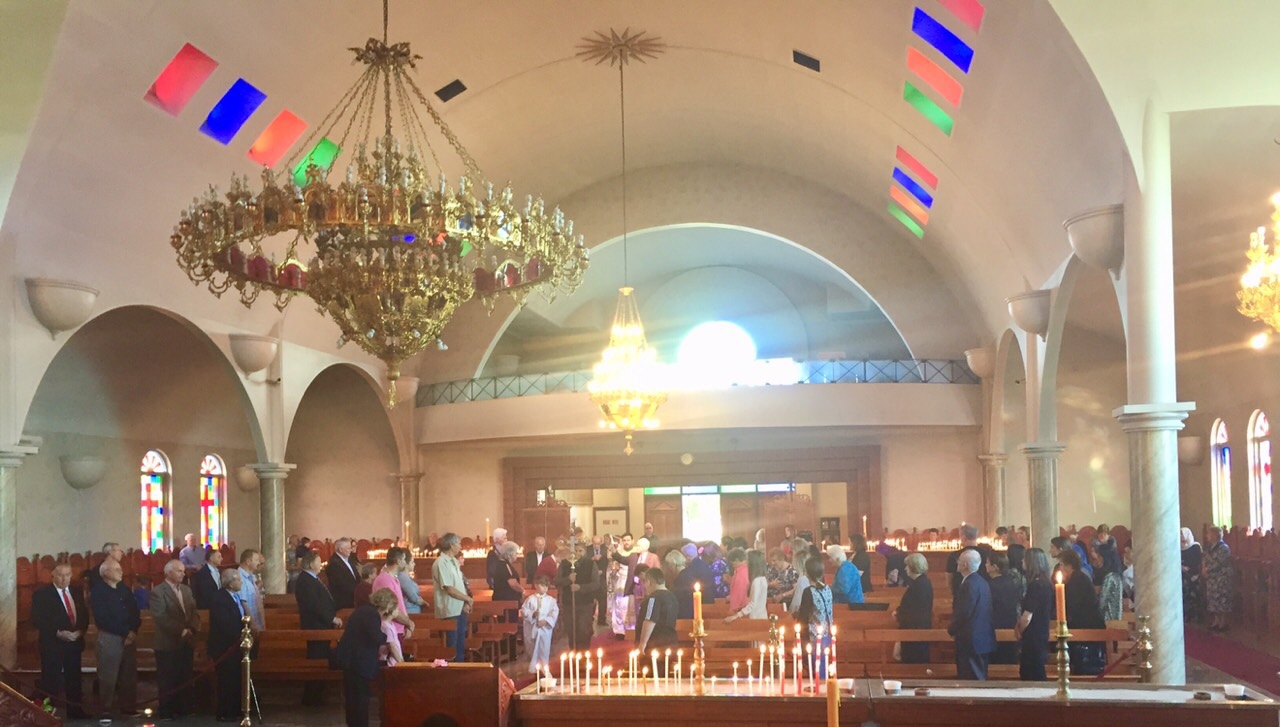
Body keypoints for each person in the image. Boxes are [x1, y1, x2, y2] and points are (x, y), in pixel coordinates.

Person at [32, 563, 88, 719]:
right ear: (53, 576)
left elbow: (83, 615)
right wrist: (58, 633)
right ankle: (47, 714)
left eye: (67, 575)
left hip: (74, 644)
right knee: (51, 681)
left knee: (74, 680)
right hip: (52, 645)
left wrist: (80, 631)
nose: (64, 579)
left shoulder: (76, 592)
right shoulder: (42, 594)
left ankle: (76, 712)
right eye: (61, 575)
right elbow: (37, 619)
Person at [332, 587, 394, 727]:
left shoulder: (363, 610)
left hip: (352, 660)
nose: (388, 611)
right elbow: (375, 637)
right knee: (360, 700)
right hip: (358, 663)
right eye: (389, 607)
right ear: (385, 604)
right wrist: (386, 636)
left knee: (352, 699)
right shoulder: (371, 614)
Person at [89, 558, 140, 719]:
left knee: (129, 674)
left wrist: (133, 630)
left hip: (129, 637)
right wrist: (125, 632)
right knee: (108, 675)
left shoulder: (124, 589)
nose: (121, 572)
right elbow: (102, 618)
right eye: (117, 569)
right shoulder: (98, 592)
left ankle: (128, 707)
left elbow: (134, 611)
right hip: (111, 636)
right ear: (106, 573)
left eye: (120, 569)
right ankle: (106, 709)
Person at [150, 559, 200, 720]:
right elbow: (160, 616)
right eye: (179, 571)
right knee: (167, 678)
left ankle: (184, 708)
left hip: (187, 641)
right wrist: (181, 630)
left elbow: (194, 611)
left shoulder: (186, 590)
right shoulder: (158, 592)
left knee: (184, 676)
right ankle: (166, 710)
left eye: (183, 571)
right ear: (168, 572)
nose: (183, 574)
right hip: (167, 642)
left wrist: (192, 628)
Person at [296, 550, 342, 706]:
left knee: (321, 658)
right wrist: (331, 618)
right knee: (316, 660)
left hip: (321, 625)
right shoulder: (305, 580)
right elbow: (314, 605)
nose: (321, 563)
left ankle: (318, 694)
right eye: (318, 561)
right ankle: (312, 696)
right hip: (315, 626)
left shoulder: (312, 579)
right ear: (310, 564)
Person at [948, 549, 995, 680]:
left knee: (970, 681)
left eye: (959, 560)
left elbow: (964, 612)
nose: (957, 562)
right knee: (979, 678)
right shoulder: (982, 582)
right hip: (982, 638)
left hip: (970, 640)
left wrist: (952, 629)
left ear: (965, 565)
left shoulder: (968, 585)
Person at [1059, 548, 1106, 675]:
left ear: (1069, 565)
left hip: (1088, 628)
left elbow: (1074, 606)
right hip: (1083, 626)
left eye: (1061, 565)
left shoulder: (1078, 580)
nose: (1060, 568)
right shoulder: (1076, 579)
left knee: (1085, 665)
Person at [208, 568, 246, 722]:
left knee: (235, 678)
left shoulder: (232, 596)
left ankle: (235, 709)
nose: (241, 582)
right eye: (238, 579)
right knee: (226, 680)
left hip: (234, 646)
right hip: (225, 647)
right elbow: (224, 623)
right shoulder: (220, 598)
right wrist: (239, 636)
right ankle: (225, 711)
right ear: (230, 583)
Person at [433, 532, 474, 662]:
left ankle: (460, 668)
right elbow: (449, 588)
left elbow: (460, 585)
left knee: (460, 644)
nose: (461, 546)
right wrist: (467, 599)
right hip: (450, 610)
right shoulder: (441, 563)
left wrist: (466, 603)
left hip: (460, 608)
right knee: (452, 646)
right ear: (451, 545)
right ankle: (452, 669)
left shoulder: (454, 562)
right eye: (459, 543)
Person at [1015, 548, 1054, 681]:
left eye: (1024, 559)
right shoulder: (1046, 583)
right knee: (1036, 668)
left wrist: (1019, 629)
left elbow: (1027, 615)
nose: (1022, 561)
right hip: (1041, 631)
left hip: (1033, 634)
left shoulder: (1035, 585)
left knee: (1030, 671)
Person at [556, 543, 600, 650]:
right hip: (569, 603)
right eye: (576, 550)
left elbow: (596, 584)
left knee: (583, 630)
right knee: (571, 630)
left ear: (585, 552)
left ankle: (583, 654)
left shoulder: (590, 564)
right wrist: (568, 579)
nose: (578, 553)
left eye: (581, 551)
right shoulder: (565, 563)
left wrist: (580, 588)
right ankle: (573, 652)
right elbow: (557, 581)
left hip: (585, 603)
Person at [795, 554, 834, 674]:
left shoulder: (809, 591)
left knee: (815, 668)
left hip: (813, 635)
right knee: (823, 665)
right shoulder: (828, 589)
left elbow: (803, 616)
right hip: (827, 633)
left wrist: (799, 634)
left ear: (807, 573)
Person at [371, 547, 418, 643]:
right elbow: (390, 607)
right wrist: (409, 623)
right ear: (398, 561)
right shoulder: (384, 579)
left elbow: (399, 605)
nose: (405, 563)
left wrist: (406, 623)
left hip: (397, 628)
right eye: (403, 560)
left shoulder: (393, 578)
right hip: (390, 630)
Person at [894, 553, 933, 664]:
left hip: (914, 631)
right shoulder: (922, 582)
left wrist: (898, 614)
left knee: (913, 662)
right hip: (916, 630)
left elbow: (914, 610)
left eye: (907, 566)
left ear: (913, 567)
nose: (905, 569)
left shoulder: (919, 585)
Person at [985, 552, 1020, 665]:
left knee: (996, 661)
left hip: (995, 627)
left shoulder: (990, 586)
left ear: (995, 567)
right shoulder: (1011, 581)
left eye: (987, 563)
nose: (985, 565)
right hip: (1011, 625)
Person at [637, 567, 680, 657]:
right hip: (671, 644)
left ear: (648, 582)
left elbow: (649, 620)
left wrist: (642, 644)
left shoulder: (653, 598)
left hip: (654, 646)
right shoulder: (673, 597)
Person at [520, 575, 558, 673]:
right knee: (533, 648)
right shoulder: (530, 599)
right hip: (533, 628)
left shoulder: (551, 600)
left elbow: (554, 613)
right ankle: (534, 669)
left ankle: (544, 668)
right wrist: (533, 614)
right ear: (536, 585)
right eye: (542, 585)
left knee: (544, 648)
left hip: (545, 628)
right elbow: (524, 611)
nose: (545, 588)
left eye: (546, 586)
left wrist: (546, 621)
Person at [945, 525, 990, 600]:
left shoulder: (954, 555)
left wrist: (954, 593)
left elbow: (949, 579)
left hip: (960, 595)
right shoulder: (987, 554)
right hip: (983, 594)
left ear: (964, 537)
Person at [1204, 525, 1234, 632]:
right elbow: (1205, 558)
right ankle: (1216, 621)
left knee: (1222, 600)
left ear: (1215, 535)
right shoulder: (1210, 547)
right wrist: (1204, 568)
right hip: (1211, 579)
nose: (1207, 536)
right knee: (1213, 600)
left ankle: (1222, 622)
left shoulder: (1224, 548)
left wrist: (1208, 569)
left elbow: (1220, 562)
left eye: (1209, 534)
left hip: (1221, 578)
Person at [725, 550, 768, 622]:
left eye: (747, 560)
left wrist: (736, 616)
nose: (745, 562)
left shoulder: (756, 581)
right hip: (761, 615)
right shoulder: (762, 578)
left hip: (755, 618)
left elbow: (753, 603)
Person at [674, 542, 714, 619]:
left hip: (696, 605)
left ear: (688, 557)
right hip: (708, 601)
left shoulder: (688, 571)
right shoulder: (705, 565)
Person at [326, 537, 361, 609]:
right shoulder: (334, 564)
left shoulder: (348, 559)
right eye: (348, 548)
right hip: (344, 602)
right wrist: (357, 592)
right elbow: (341, 584)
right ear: (341, 549)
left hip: (353, 598)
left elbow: (356, 577)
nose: (351, 550)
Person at [237, 548, 265, 634]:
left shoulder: (251, 576)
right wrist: (252, 623)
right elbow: (243, 603)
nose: (258, 563)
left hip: (256, 621)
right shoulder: (239, 578)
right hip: (248, 625)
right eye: (256, 560)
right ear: (248, 561)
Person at [1181, 526, 1204, 623]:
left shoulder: (1195, 546)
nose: (1181, 537)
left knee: (1195, 595)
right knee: (1184, 594)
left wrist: (1190, 569)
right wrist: (1181, 566)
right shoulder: (1178, 547)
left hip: (1194, 574)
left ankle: (1197, 616)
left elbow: (1198, 561)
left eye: (1182, 534)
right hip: (1182, 574)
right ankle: (1186, 615)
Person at [590, 534, 610, 626]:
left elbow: (608, 562)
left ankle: (602, 620)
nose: (596, 546)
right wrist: (593, 558)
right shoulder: (587, 550)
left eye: (598, 544)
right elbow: (584, 561)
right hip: (591, 579)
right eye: (595, 544)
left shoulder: (605, 550)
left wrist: (603, 571)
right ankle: (590, 617)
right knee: (591, 599)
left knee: (602, 600)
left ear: (601, 543)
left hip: (602, 578)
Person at [726, 548, 749, 612]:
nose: (731, 564)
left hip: (740, 608)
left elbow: (739, 592)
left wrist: (734, 608)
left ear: (736, 560)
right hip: (743, 606)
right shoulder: (744, 570)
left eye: (731, 562)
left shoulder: (741, 573)